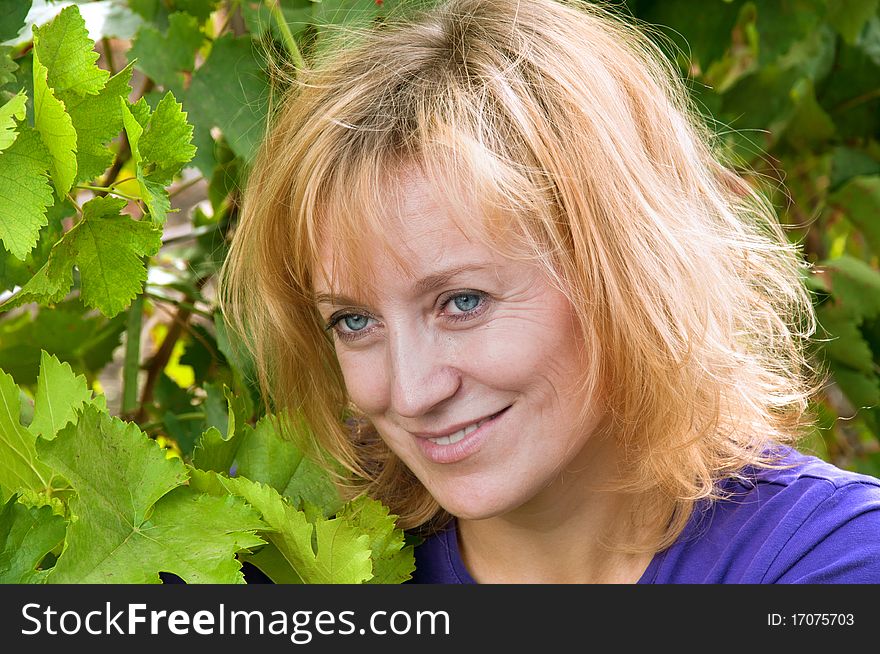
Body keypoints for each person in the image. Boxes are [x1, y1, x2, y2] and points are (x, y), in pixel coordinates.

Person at [218, 0, 880, 583]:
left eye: (463, 302)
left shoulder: (829, 563)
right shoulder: (300, 577)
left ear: (627, 273)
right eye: (354, 322)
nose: (412, 392)